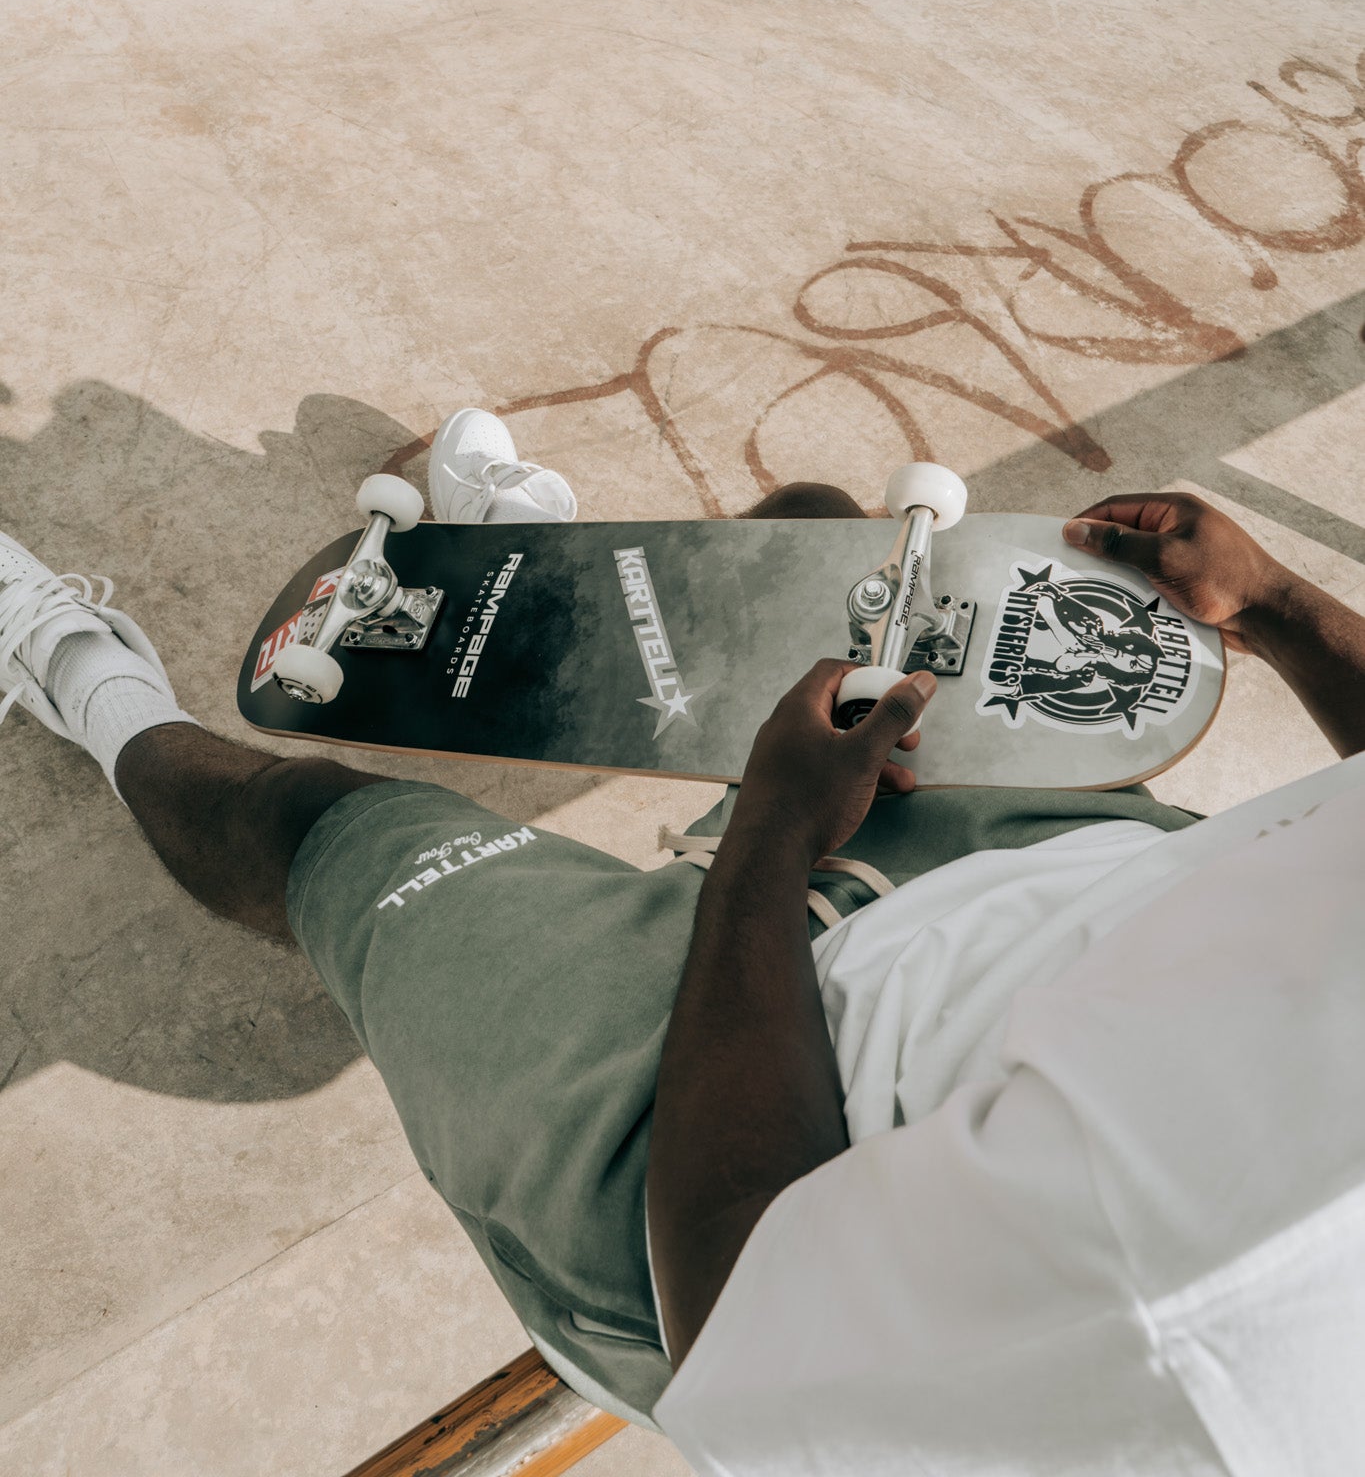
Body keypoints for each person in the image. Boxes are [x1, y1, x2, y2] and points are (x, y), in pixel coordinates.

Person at [3, 410, 1364, 1469]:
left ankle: (81, 678)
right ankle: (532, 595)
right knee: (819, 550)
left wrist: (772, 838)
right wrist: (1281, 612)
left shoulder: (1229, 1352)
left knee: (326, 834)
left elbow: (741, 1286)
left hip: (724, 1163)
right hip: (1086, 895)